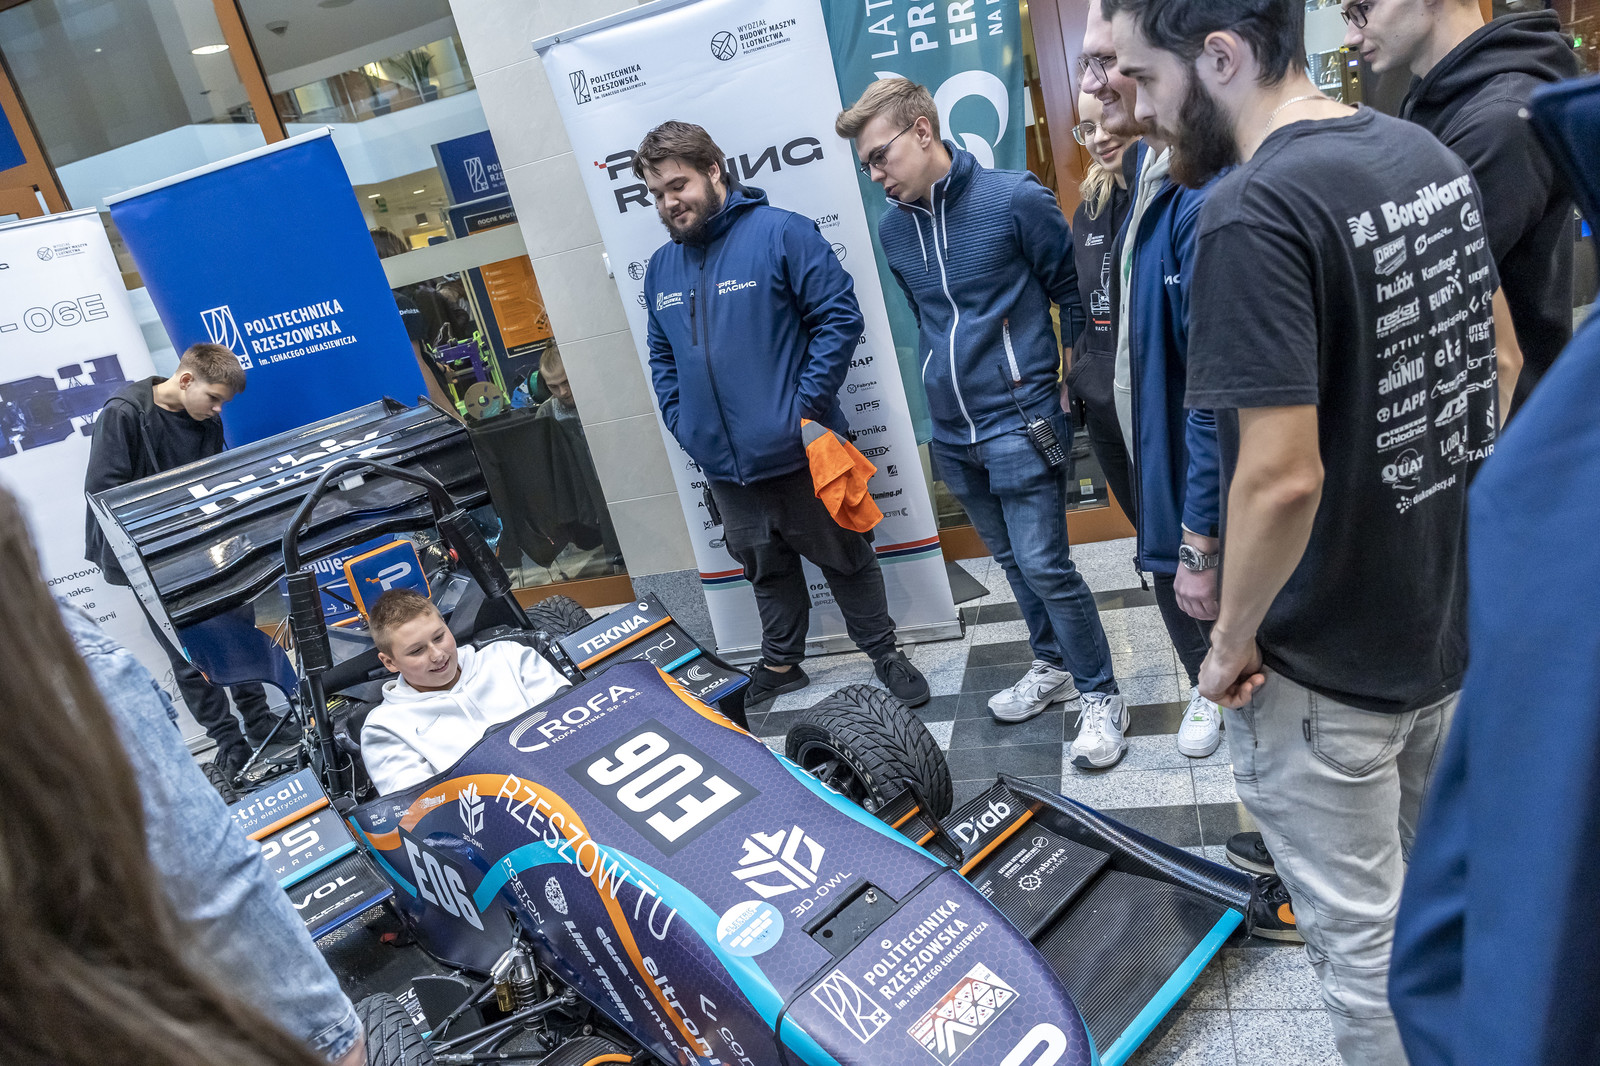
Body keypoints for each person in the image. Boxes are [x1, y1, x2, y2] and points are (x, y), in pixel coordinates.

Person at [1104, 0, 1499, 1058]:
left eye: (1146, 78)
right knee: (1453, 910)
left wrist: (1227, 644)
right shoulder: (1421, 152)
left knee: (1365, 947)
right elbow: (1499, 364)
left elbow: (1279, 479)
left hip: (1324, 669)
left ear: (1220, 56)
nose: (1137, 108)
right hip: (1443, 628)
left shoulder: (1249, 210)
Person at [0, 486, 354, 1066]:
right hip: (159, 563)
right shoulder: (52, 654)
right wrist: (326, 1035)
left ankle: (255, 729)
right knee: (196, 658)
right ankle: (234, 746)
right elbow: (203, 878)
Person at [837, 79, 1128, 762]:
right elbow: (927, 318)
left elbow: (1072, 294)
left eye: (880, 157)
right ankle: (1052, 664)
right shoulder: (893, 229)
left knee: (1046, 565)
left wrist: (1066, 381)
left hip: (1021, 420)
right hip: (952, 431)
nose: (875, 175)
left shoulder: (1013, 199)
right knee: (1013, 564)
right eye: (866, 165)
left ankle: (1101, 693)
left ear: (923, 130)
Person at [639, 120, 930, 709]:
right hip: (726, 467)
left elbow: (838, 317)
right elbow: (663, 357)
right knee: (764, 568)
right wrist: (684, 423)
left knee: (846, 556)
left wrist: (804, 410)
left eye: (678, 185)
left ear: (713, 171)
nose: (669, 203)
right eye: (658, 193)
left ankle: (884, 653)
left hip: (805, 450)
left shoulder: (782, 233)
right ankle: (781, 663)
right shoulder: (661, 268)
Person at [1081, 6, 1228, 761]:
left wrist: (1198, 542)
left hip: (1206, 480)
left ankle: (1218, 688)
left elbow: (1217, 393)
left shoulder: (1202, 191)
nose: (1098, 85)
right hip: (1141, 435)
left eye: (1110, 62)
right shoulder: (1139, 180)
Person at [1344, 0, 1580, 417]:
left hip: (1499, 422)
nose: (1351, 35)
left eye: (1363, 7)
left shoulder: (1498, 121)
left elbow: (1416, 290)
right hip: (1464, 406)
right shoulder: (1437, 97)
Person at [83, 342, 277, 776]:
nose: (217, 410)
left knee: (237, 631)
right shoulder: (124, 414)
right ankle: (230, 744)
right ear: (186, 380)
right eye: (214, 398)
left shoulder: (206, 419)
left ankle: (263, 725)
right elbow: (103, 493)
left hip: (203, 544)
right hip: (146, 556)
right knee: (187, 653)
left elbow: (212, 480)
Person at [361, 588, 571, 794]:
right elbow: (419, 804)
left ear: (446, 625)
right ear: (389, 662)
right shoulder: (384, 726)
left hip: (569, 773)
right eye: (417, 651)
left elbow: (570, 713)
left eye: (439, 637)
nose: (437, 655)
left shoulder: (510, 656)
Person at [1067, 91, 1138, 513]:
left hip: (1157, 401)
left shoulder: (1172, 194)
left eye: (1109, 121)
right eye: (1088, 128)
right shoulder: (1088, 212)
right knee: (1145, 531)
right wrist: (1077, 372)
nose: (1099, 137)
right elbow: (1079, 301)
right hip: (1103, 403)